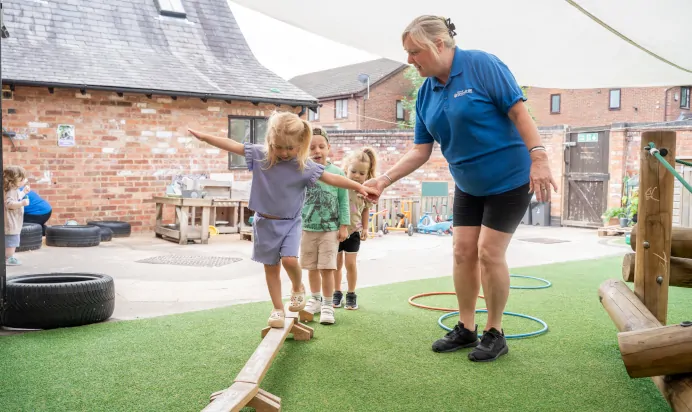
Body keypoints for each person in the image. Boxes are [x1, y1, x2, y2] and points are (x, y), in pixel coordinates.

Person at [364, 15, 557, 362]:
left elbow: (519, 113)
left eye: (414, 51)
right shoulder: (425, 94)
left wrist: (539, 156)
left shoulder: (482, 65)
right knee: (461, 251)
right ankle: (466, 327)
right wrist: (383, 179)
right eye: (406, 53)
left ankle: (495, 332)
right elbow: (421, 150)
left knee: (488, 251)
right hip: (469, 184)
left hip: (510, 178)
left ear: (439, 45)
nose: (409, 60)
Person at [188, 111, 378, 328]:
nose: (285, 153)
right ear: (270, 141)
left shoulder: (303, 166)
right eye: (279, 147)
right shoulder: (260, 155)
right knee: (271, 268)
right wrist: (204, 137)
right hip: (264, 222)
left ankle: (298, 287)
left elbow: (333, 178)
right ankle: (278, 308)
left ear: (300, 144)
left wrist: (359, 186)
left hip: (290, 222)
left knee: (289, 260)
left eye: (291, 148)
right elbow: (232, 145)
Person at [300, 127, 350, 325]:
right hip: (307, 228)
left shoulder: (337, 173)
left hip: (330, 230)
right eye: (311, 147)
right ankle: (315, 299)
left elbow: (343, 200)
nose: (317, 151)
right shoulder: (302, 172)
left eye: (321, 146)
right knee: (311, 268)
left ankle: (328, 304)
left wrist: (344, 225)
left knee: (327, 268)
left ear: (328, 148)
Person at [333, 147, 378, 310]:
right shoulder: (340, 187)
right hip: (336, 232)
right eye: (353, 171)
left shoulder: (364, 192)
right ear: (346, 169)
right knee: (336, 265)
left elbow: (366, 210)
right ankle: (336, 293)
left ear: (367, 174)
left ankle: (351, 294)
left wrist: (365, 228)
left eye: (361, 173)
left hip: (354, 233)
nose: (357, 176)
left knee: (350, 264)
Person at [4, 166, 30, 266]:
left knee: (11, 240)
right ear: (16, 180)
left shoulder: (12, 189)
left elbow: (16, 196)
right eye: (23, 179)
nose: (25, 180)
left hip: (12, 221)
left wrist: (24, 192)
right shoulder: (11, 191)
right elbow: (9, 204)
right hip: (11, 222)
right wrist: (21, 203)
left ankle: (7, 257)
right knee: (12, 241)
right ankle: (8, 258)